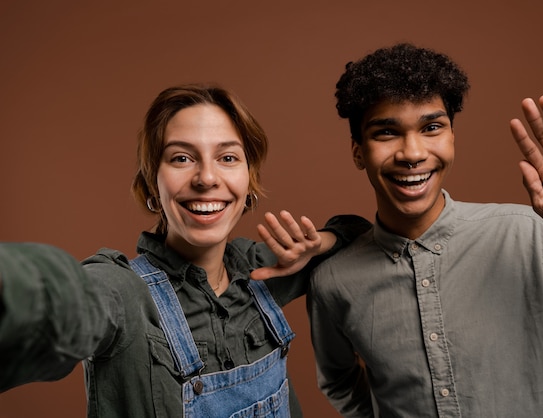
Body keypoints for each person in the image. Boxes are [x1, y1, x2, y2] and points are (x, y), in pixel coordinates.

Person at [0, 83, 370, 417]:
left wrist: (318, 244)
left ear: (249, 181)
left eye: (227, 158)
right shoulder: (124, 294)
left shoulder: (262, 270)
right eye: (181, 158)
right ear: (151, 185)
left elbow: (359, 235)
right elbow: (53, 301)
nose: (207, 178)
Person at [307, 43, 543, 417]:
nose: (412, 152)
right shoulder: (332, 281)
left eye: (431, 128)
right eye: (386, 133)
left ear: (452, 138)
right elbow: (340, 383)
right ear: (358, 152)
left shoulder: (527, 238)